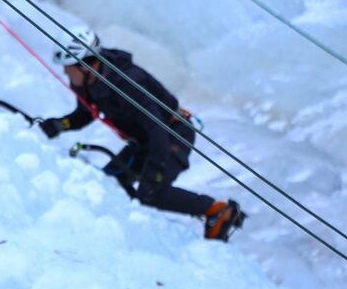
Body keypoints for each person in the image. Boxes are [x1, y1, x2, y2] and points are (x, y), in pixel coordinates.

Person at [38, 29, 244, 241]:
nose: (64, 73)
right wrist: (60, 125)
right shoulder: (87, 81)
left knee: (151, 191)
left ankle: (217, 210)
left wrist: (156, 166)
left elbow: (156, 127)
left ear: (86, 65)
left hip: (171, 135)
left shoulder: (126, 83)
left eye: (68, 68)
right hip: (146, 140)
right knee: (108, 182)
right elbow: (85, 114)